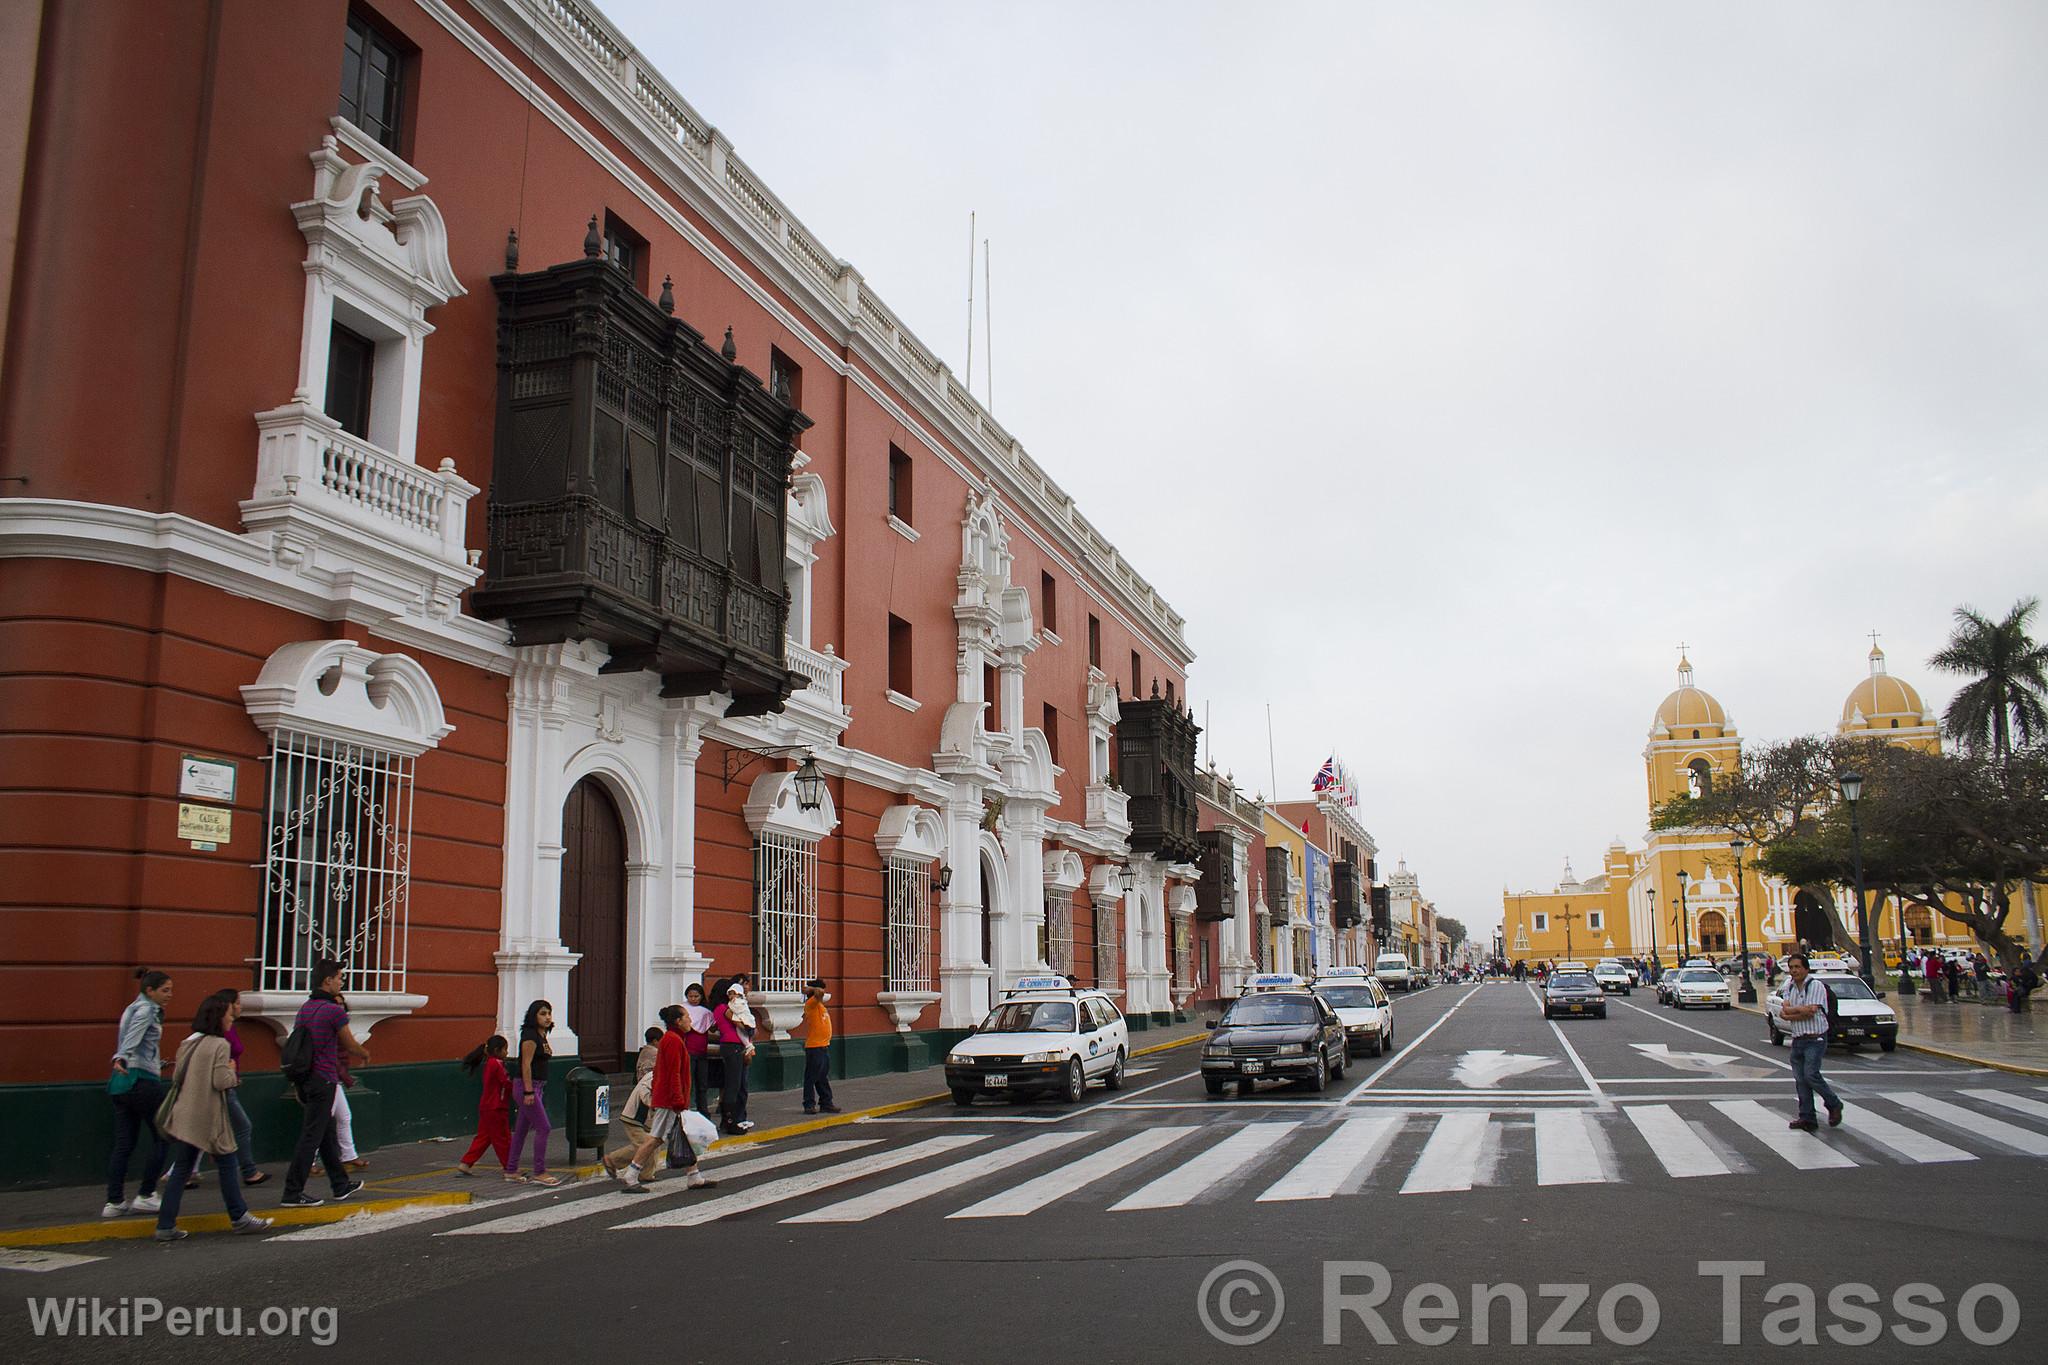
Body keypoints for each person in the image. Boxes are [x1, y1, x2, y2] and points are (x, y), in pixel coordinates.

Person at [151, 993, 273, 1241]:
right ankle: (239, 1218)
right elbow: (221, 1082)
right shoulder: (220, 1046)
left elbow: (177, 1078)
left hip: (186, 1114)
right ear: (219, 1017)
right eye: (229, 1014)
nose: (231, 1019)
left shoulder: (189, 1043)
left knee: (182, 1169)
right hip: (210, 1117)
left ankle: (165, 1224)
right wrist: (231, 1070)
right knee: (228, 1165)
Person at [280, 959, 369, 1207]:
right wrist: (364, 1054)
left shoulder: (306, 1008)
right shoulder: (334, 1011)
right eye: (339, 977)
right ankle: (292, 1191)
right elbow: (350, 1044)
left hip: (306, 1079)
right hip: (324, 1079)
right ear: (327, 980)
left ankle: (340, 1185)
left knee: (326, 1133)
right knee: (311, 1136)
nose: (342, 981)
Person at [614, 1004, 716, 1194]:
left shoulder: (674, 1039)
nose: (690, 1020)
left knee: (681, 1135)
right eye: (686, 1017)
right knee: (655, 1139)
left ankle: (694, 1176)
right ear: (678, 1021)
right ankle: (631, 1174)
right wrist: (678, 1100)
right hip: (670, 1100)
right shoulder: (673, 1041)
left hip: (670, 1099)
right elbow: (673, 1073)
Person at [106, 967, 174, 1218]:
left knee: (124, 1143)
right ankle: (146, 1194)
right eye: (165, 990)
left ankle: (114, 1201)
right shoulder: (148, 1010)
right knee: (163, 1135)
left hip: (120, 1084)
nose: (169, 995)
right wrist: (121, 1057)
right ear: (150, 990)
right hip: (141, 1081)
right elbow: (132, 1040)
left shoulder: (131, 1008)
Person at [1777, 953, 1844, 1132]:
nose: (1794, 970)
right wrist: (1798, 1010)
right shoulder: (1789, 987)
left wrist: (1793, 1011)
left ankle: (1834, 1103)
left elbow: (1811, 1012)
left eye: (1797, 967)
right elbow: (1783, 1013)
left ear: (1806, 969)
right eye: (1791, 967)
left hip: (1816, 1038)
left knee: (1811, 1075)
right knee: (1800, 1080)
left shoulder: (1815, 986)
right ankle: (1807, 1117)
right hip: (1798, 1039)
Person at [506, 999, 559, 1185]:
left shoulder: (541, 1034)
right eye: (542, 1013)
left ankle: (511, 1169)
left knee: (521, 1130)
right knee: (544, 1128)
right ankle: (539, 1171)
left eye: (549, 1013)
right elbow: (525, 1065)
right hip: (527, 1087)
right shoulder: (529, 1036)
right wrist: (528, 1092)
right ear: (533, 1015)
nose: (547, 1017)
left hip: (537, 1087)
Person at [456, 1036, 512, 1177]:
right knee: (502, 1138)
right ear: (497, 1050)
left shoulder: (490, 1063)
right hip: (496, 1107)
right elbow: (506, 1082)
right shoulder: (497, 1064)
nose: (507, 1052)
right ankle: (510, 1167)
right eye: (505, 1049)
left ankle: (466, 1163)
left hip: (487, 1106)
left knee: (484, 1137)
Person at [712, 979, 756, 1135]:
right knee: (733, 1085)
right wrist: (750, 1027)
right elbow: (739, 1022)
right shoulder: (725, 1008)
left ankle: (728, 1120)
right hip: (733, 1045)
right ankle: (730, 1121)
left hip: (730, 1045)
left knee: (732, 1084)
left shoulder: (718, 1008)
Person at [794, 977, 839, 1115]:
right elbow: (819, 993)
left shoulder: (819, 1005)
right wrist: (812, 990)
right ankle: (808, 1104)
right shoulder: (811, 1003)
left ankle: (826, 1102)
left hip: (823, 1046)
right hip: (814, 1047)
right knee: (811, 1077)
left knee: (822, 1077)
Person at [683, 984, 715, 1119]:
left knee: (702, 1084)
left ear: (701, 996)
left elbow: (711, 1028)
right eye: (690, 996)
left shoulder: (706, 1012)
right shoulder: (683, 1009)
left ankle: (704, 1112)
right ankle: (685, 1110)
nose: (693, 999)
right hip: (688, 1051)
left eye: (696, 996)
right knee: (687, 1083)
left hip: (702, 1051)